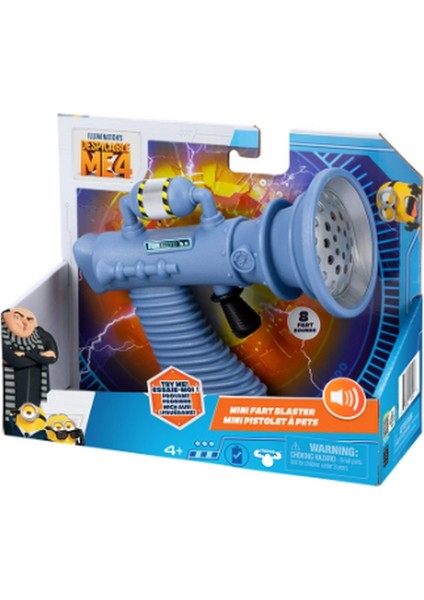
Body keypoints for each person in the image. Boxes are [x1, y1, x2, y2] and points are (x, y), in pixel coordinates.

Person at [2, 307, 58, 435]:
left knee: (35, 427)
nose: (25, 323)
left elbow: (53, 358)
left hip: (36, 395)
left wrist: (25, 354)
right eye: (17, 317)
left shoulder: (41, 335)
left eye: (29, 319)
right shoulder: (2, 337)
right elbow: (16, 362)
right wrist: (41, 357)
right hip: (11, 398)